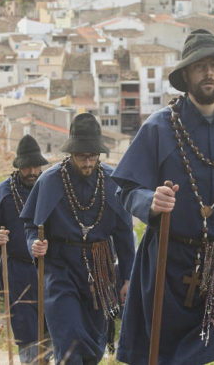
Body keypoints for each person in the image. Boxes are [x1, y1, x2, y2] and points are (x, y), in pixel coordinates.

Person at [112, 29, 214, 365]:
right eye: (200, 66)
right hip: (169, 265)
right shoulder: (159, 128)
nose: (208, 73)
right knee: (166, 358)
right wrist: (151, 202)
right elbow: (127, 191)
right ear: (186, 75)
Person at [21, 113, 136, 364]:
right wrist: (34, 245)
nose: (87, 162)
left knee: (93, 348)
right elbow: (31, 226)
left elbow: (125, 233)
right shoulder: (50, 181)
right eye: (82, 156)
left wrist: (127, 276)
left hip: (100, 270)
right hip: (60, 269)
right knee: (69, 342)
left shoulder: (112, 180)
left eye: (92, 156)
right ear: (71, 153)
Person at [0, 134, 47, 364]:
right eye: (27, 167)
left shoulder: (48, 187)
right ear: (19, 166)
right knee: (24, 324)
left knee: (51, 320)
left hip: (49, 267)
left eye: (35, 166)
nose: (32, 171)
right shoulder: (2, 192)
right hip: (16, 269)